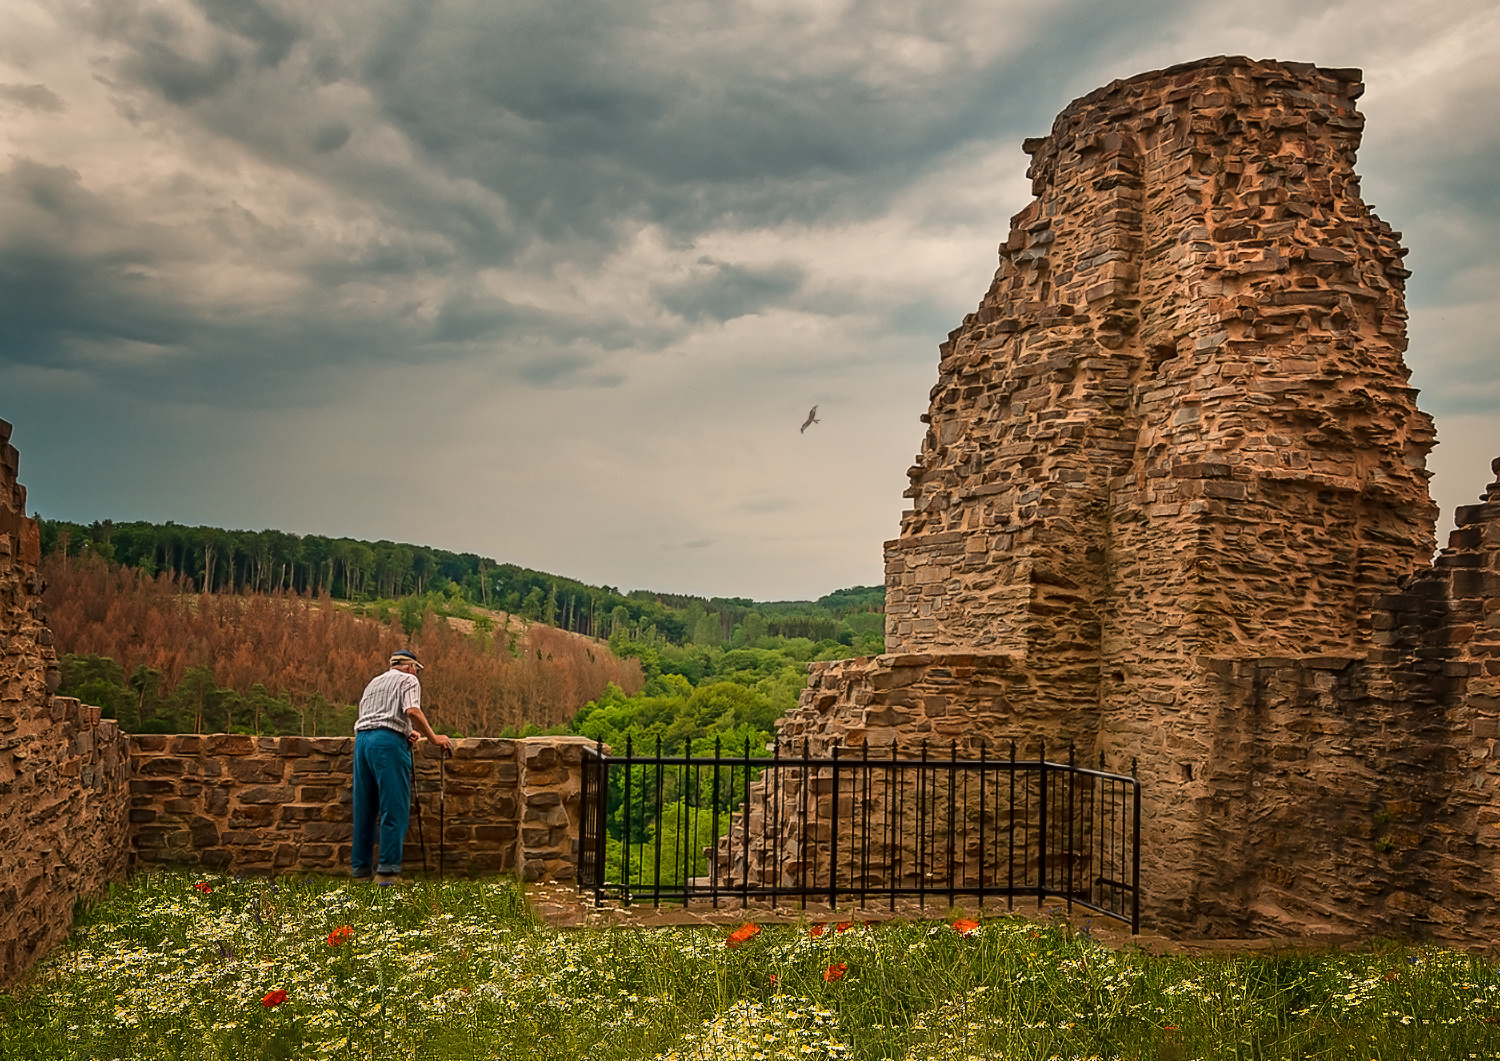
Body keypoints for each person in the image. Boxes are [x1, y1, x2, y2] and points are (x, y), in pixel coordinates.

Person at [351, 649, 453, 883]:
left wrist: (407, 731)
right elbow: (412, 710)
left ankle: (360, 871)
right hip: (387, 744)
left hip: (363, 742)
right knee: (393, 806)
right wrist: (433, 737)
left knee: (364, 808)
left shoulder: (374, 683)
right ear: (410, 666)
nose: (417, 673)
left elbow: (379, 717)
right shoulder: (408, 679)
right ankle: (387, 873)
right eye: (417, 668)